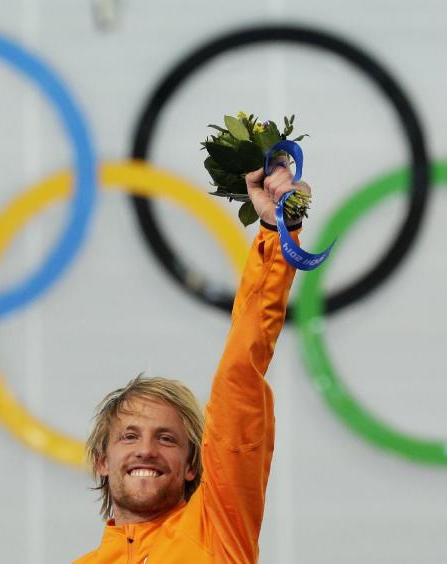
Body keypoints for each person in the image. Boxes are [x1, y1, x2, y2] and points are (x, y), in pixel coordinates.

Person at [75, 158, 308, 564]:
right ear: (102, 461)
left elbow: (240, 373)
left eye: (166, 439)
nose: (146, 450)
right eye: (129, 436)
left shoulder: (217, 529)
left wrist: (275, 230)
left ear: (190, 466)